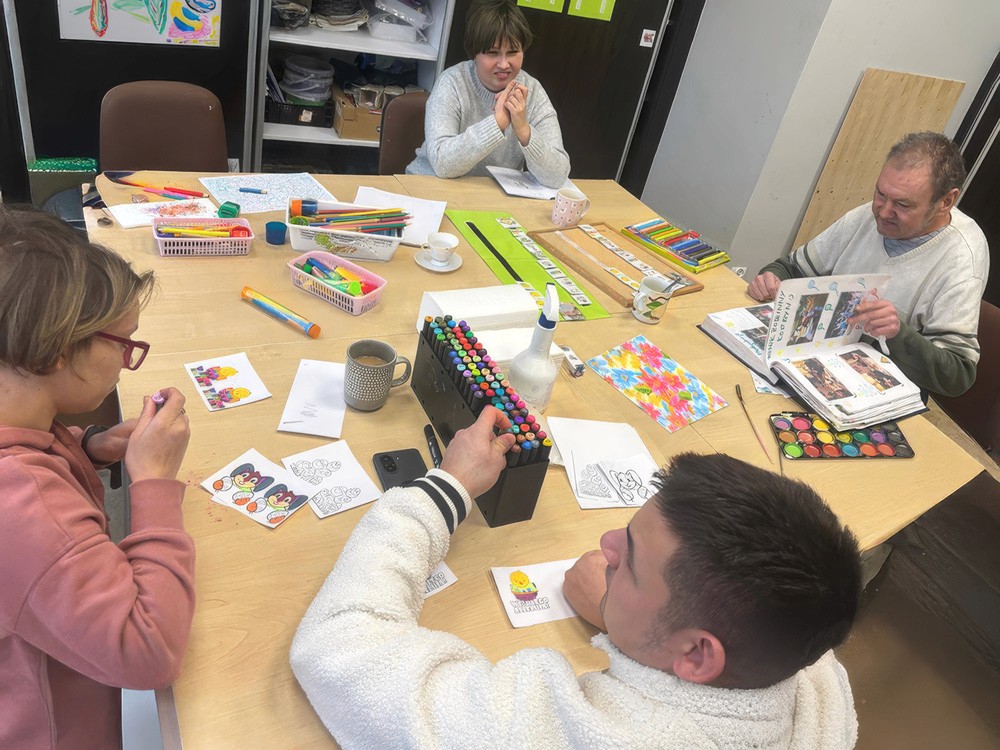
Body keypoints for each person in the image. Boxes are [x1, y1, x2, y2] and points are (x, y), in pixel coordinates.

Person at [290, 406, 862, 748]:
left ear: (696, 655)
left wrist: (448, 485)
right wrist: (630, 623)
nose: (606, 546)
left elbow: (339, 646)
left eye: (629, 561)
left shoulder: (558, 735)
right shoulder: (805, 668)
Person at [0, 206, 194, 749]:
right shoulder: (24, 508)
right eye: (125, 344)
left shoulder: (18, 413)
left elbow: (32, 452)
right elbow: (149, 654)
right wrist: (153, 482)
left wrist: (89, 448)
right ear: (58, 353)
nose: (129, 359)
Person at [746, 131, 989, 397]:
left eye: (903, 205)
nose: (883, 212)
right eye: (880, 194)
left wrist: (898, 334)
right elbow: (791, 268)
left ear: (946, 201)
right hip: (813, 361)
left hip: (877, 391)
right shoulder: (867, 216)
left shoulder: (962, 258)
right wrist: (770, 278)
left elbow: (958, 375)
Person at [406, 0, 571, 188]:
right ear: (474, 54)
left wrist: (524, 131)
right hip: (430, 187)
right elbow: (442, 164)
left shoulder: (532, 91)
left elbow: (558, 176)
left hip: (489, 196)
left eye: (513, 52)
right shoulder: (452, 83)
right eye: (493, 53)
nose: (504, 64)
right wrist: (496, 124)